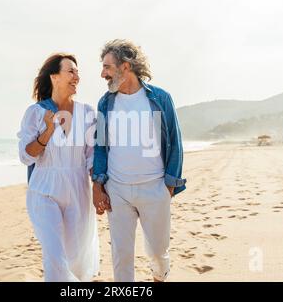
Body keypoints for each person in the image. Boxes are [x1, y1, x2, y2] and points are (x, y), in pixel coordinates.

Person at [91, 39, 186, 282]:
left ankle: (159, 277)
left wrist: (169, 186)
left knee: (157, 253)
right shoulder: (105, 102)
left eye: (107, 67)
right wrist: (98, 184)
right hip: (118, 190)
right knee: (121, 255)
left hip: (155, 188)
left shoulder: (160, 98)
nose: (102, 74)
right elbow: (100, 145)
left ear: (125, 66)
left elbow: (174, 142)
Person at [18, 53, 99, 282]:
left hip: (78, 189)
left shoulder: (87, 113)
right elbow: (26, 156)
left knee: (76, 258)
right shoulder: (35, 113)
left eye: (77, 72)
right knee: (54, 256)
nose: (77, 76)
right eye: (70, 71)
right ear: (54, 77)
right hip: (44, 189)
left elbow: (92, 156)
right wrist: (47, 132)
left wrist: (100, 187)